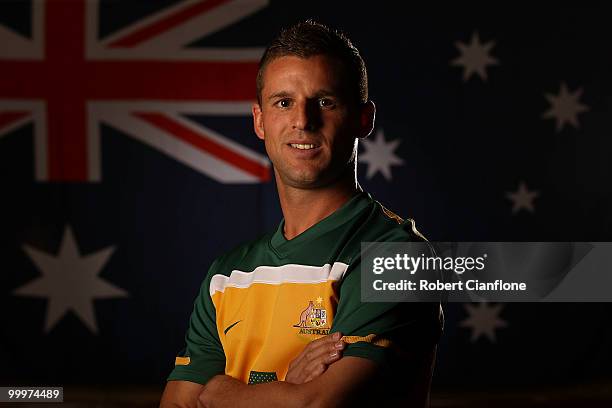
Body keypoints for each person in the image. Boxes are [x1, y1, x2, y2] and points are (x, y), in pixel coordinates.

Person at [160, 20, 443, 408]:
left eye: (325, 101)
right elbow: (177, 404)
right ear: (260, 120)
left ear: (364, 119)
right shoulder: (226, 276)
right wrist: (284, 385)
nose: (302, 120)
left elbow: (316, 404)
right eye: (283, 102)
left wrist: (225, 393)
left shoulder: (396, 256)